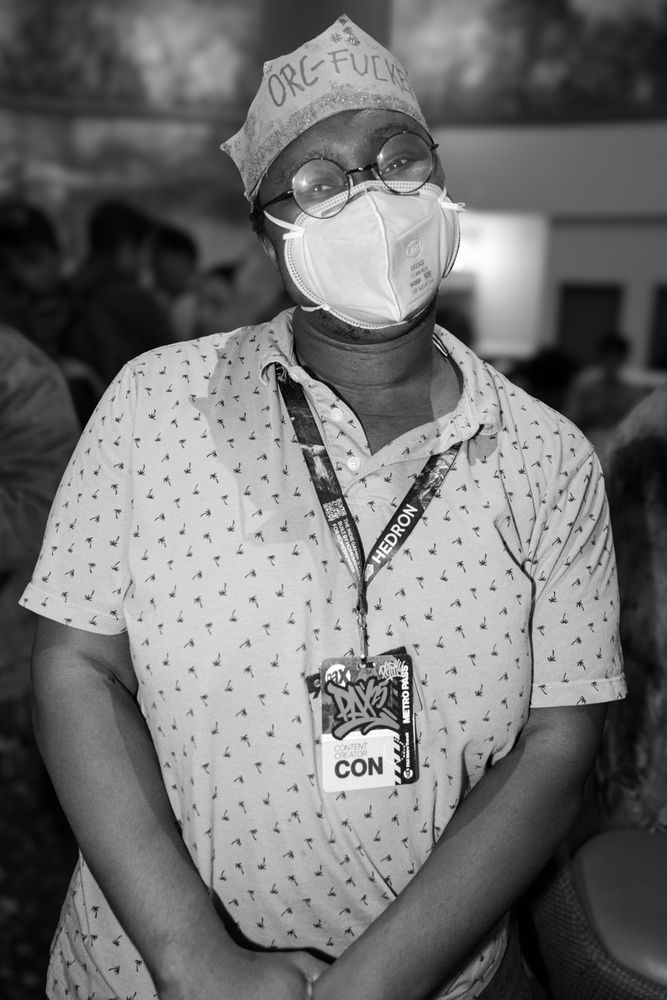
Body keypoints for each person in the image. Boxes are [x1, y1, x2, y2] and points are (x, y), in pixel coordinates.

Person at [23, 15, 626, 1000]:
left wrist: (378, 981)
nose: (372, 197)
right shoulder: (156, 404)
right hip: (147, 973)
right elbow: (77, 666)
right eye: (319, 182)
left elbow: (559, 738)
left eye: (397, 158)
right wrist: (190, 954)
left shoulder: (547, 461)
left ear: (437, 178)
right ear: (269, 229)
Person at [65, 199, 176, 387]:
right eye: (143, 250)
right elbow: (176, 363)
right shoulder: (134, 299)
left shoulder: (67, 290)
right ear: (126, 248)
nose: (146, 263)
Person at [564, 330, 650, 459]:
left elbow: (637, 424)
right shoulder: (585, 385)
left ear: (623, 359)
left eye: (616, 358)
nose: (612, 362)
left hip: (619, 442)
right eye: (608, 357)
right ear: (601, 357)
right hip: (588, 439)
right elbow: (571, 417)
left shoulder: (631, 389)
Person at [149, 221, 200, 340]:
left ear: (183, 259)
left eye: (159, 256)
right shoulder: (173, 302)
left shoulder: (188, 306)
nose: (153, 265)